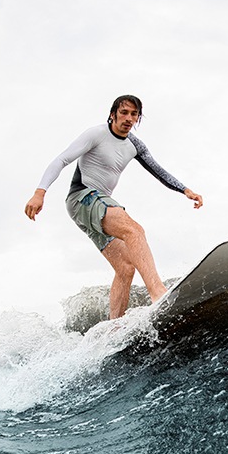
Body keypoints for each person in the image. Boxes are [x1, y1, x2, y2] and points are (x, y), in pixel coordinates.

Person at [24, 95, 203, 319]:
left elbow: (158, 171)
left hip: (94, 207)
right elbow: (62, 159)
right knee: (134, 230)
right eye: (124, 112)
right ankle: (158, 293)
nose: (129, 118)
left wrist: (185, 190)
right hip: (83, 196)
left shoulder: (135, 145)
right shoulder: (96, 134)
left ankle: (114, 327)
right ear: (113, 114)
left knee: (126, 267)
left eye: (134, 114)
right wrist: (40, 192)